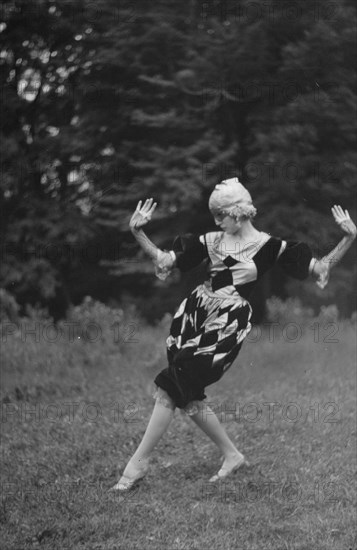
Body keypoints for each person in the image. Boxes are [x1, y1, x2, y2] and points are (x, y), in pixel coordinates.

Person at [111, 178, 356, 491]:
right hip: (194, 315)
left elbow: (320, 269)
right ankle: (231, 455)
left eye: (220, 214)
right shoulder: (209, 239)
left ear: (239, 212)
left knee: (173, 385)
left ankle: (137, 463)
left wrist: (349, 239)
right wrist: (138, 232)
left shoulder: (272, 247)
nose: (216, 221)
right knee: (186, 389)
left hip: (227, 324)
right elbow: (165, 261)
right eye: (214, 215)